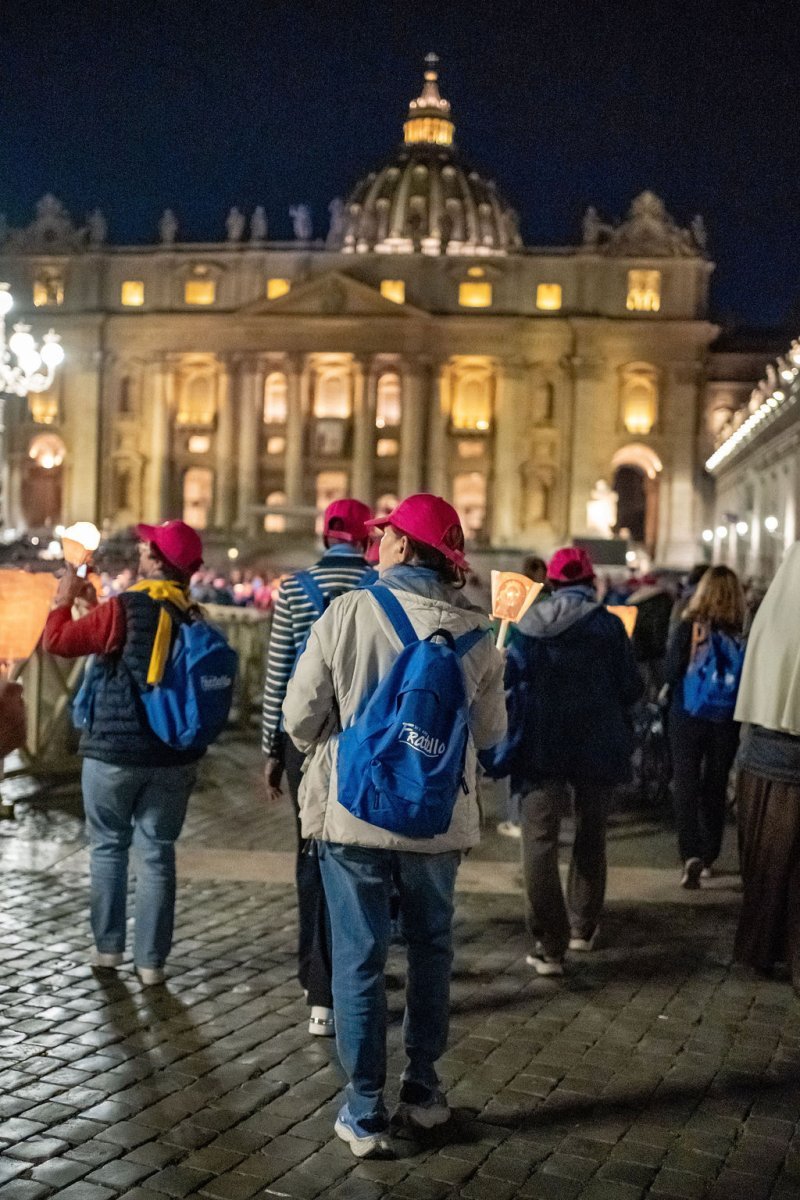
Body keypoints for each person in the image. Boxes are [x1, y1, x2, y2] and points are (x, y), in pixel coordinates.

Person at [283, 494, 505, 1158]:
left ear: (404, 547)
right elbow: (492, 733)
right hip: (436, 818)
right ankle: (426, 1094)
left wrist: (342, 732)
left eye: (385, 537)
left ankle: (364, 1111)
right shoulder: (479, 635)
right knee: (433, 952)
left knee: (359, 958)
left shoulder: (348, 613)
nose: (376, 545)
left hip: (352, 814)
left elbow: (299, 719)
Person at [42, 520, 206, 985]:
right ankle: (152, 962)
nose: (140, 548)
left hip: (114, 753)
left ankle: (107, 948)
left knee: (109, 848)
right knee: (157, 853)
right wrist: (94, 606)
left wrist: (62, 599)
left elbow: (60, 641)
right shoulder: (193, 612)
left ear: (156, 560)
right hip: (174, 755)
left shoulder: (127, 607)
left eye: (147, 546)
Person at [489, 546, 643, 975]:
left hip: (541, 744)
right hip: (596, 745)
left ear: (552, 583)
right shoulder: (609, 626)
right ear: (591, 581)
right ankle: (582, 925)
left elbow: (510, 680)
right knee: (591, 834)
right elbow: (631, 689)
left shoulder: (528, 626)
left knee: (538, 841)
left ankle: (548, 943)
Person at [261, 498, 375, 1038]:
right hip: (363, 738)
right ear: (365, 537)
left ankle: (316, 979)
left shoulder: (293, 589)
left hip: (303, 739)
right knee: (360, 855)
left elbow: (279, 672)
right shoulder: (381, 587)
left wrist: (270, 746)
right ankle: (352, 974)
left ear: (324, 533)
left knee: (310, 856)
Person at [733, 544, 800, 993]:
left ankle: (760, 948)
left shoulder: (772, 615)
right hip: (787, 764)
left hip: (762, 760)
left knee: (767, 866)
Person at [663, 565, 745, 889]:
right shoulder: (740, 632)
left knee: (685, 783)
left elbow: (671, 670)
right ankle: (710, 855)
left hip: (688, 712)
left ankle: (690, 854)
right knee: (716, 783)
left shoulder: (689, 626)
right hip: (725, 718)